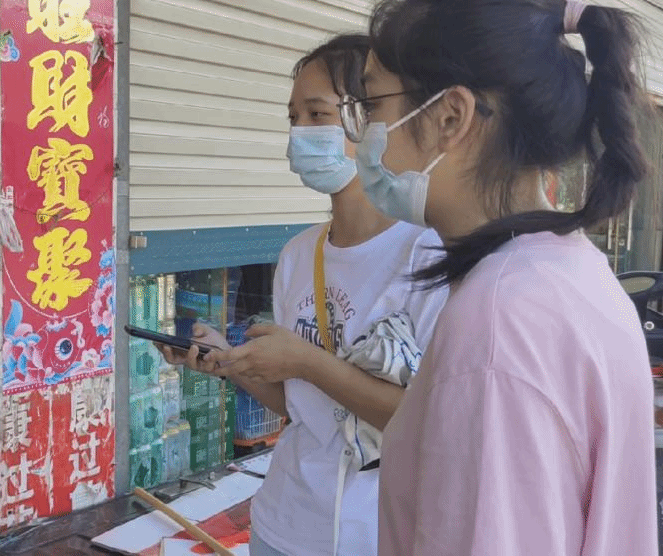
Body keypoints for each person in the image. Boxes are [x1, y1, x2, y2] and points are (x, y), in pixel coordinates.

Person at [339, 0, 657, 554]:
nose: (361, 136)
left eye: (371, 105)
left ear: (450, 118)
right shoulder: (567, 269)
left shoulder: (497, 324)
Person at [160, 34, 447, 556]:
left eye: (318, 114)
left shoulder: (428, 255)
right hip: (282, 525)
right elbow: (298, 405)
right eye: (294, 118)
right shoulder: (298, 255)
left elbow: (426, 423)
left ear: (372, 119)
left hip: (377, 533)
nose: (300, 134)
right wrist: (231, 362)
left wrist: (308, 362)